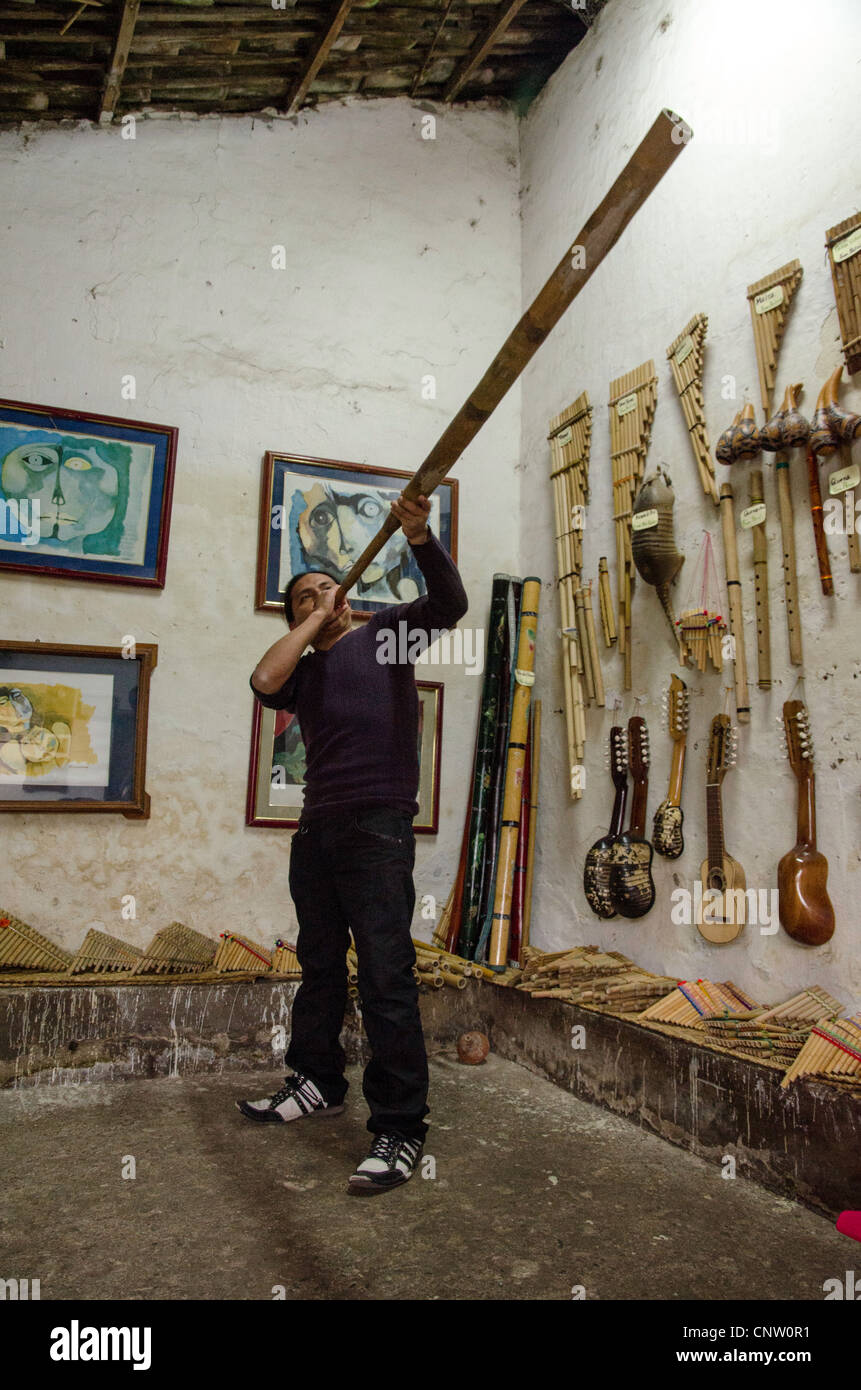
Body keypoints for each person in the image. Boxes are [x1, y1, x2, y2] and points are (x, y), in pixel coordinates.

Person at [239, 492, 468, 1194]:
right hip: (317, 830)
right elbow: (262, 679)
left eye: (326, 586)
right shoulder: (303, 669)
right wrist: (309, 619)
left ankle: (399, 1127)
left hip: (377, 826)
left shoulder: (388, 633)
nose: (319, 596)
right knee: (317, 964)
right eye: (304, 595)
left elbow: (451, 606)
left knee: (384, 974)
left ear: (349, 597)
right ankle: (315, 1082)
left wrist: (419, 534)